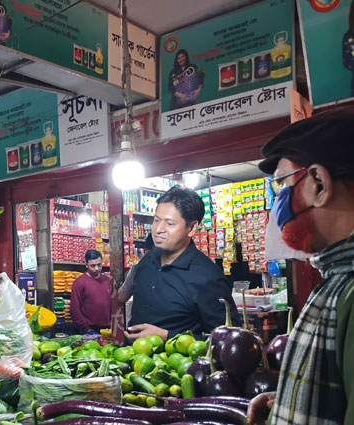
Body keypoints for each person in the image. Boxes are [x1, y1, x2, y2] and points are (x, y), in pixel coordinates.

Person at [247, 109, 354, 425]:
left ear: (319, 183)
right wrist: (287, 404)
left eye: (281, 184)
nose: (277, 199)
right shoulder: (337, 281)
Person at [123, 186, 241, 342]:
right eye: (156, 220)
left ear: (191, 228)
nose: (158, 229)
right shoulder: (146, 262)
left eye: (170, 224)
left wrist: (167, 337)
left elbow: (230, 340)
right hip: (131, 362)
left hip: (178, 365)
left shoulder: (208, 277)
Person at [70, 249, 113, 334]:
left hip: (108, 329)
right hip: (89, 330)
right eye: (92, 266)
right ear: (86, 264)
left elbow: (114, 304)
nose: (96, 268)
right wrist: (86, 329)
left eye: (99, 265)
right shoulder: (79, 283)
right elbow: (74, 309)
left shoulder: (108, 281)